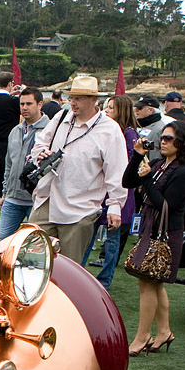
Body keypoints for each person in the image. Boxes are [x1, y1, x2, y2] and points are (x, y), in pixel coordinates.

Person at [29, 75, 128, 262]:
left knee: (68, 268)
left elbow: (117, 171)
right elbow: (39, 144)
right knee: (30, 259)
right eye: (72, 97)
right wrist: (41, 154)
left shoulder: (110, 130)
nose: (73, 103)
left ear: (93, 100)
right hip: (46, 199)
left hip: (80, 208)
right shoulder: (61, 117)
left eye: (79, 98)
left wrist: (115, 206)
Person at [121, 120, 185, 356]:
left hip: (166, 234)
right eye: (162, 138)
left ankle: (143, 336)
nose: (163, 142)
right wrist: (137, 156)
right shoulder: (158, 164)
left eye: (169, 139)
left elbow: (165, 204)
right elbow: (127, 181)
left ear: (181, 143)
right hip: (150, 230)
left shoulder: (184, 172)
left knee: (148, 282)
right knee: (153, 282)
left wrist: (146, 180)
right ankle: (163, 331)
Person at [85, 95, 138, 290]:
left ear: (121, 111)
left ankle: (105, 279)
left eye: (111, 108)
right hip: (101, 192)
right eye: (106, 107)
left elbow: (131, 164)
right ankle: (84, 275)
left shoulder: (129, 134)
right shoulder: (106, 130)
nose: (106, 111)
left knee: (112, 239)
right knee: (90, 234)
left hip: (118, 192)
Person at [0, 87, 49, 240]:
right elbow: (9, 165)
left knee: (36, 245)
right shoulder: (15, 131)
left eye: (29, 104)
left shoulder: (50, 131)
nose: (25, 108)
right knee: (0, 242)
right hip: (12, 198)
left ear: (39, 104)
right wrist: (5, 193)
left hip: (37, 200)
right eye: (22, 104)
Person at [0, 71, 22, 216]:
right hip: (7, 141)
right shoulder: (13, 101)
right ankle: (7, 204)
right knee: (8, 175)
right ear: (10, 84)